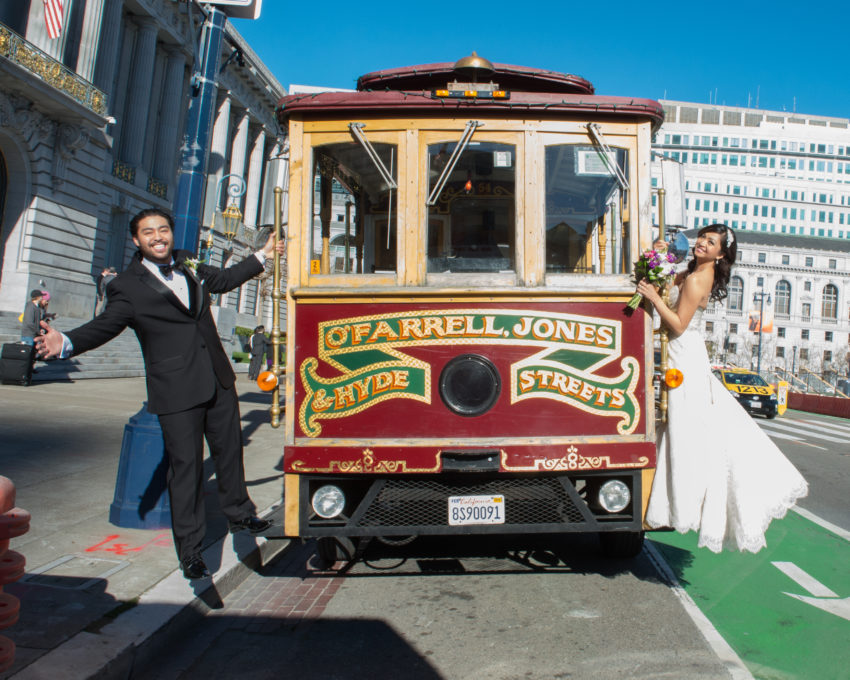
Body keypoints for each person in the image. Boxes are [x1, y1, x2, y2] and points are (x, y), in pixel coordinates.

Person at [35, 208, 284, 580]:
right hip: (175, 389)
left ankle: (241, 514)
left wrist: (262, 255)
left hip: (217, 379)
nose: (158, 237)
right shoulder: (127, 285)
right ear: (136, 240)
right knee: (186, 470)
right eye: (148, 232)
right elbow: (106, 326)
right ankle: (191, 553)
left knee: (230, 453)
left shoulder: (188, 263)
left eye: (163, 229)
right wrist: (67, 341)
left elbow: (225, 279)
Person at [637, 224, 807, 553]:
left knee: (685, 427)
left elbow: (679, 324)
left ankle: (685, 502)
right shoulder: (690, 270)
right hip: (680, 352)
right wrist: (660, 259)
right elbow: (666, 282)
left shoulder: (699, 278)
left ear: (721, 254)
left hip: (685, 354)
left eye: (711, 242)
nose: (702, 243)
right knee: (681, 427)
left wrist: (655, 296)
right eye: (702, 237)